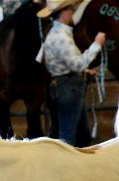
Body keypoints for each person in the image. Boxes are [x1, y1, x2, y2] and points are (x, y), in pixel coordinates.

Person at [37, 0, 106, 146]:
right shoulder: (62, 37)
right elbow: (77, 64)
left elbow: (67, 63)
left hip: (65, 86)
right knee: (68, 136)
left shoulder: (55, 33)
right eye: (70, 9)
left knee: (80, 135)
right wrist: (97, 45)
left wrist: (84, 71)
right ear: (63, 13)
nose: (72, 11)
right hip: (69, 87)